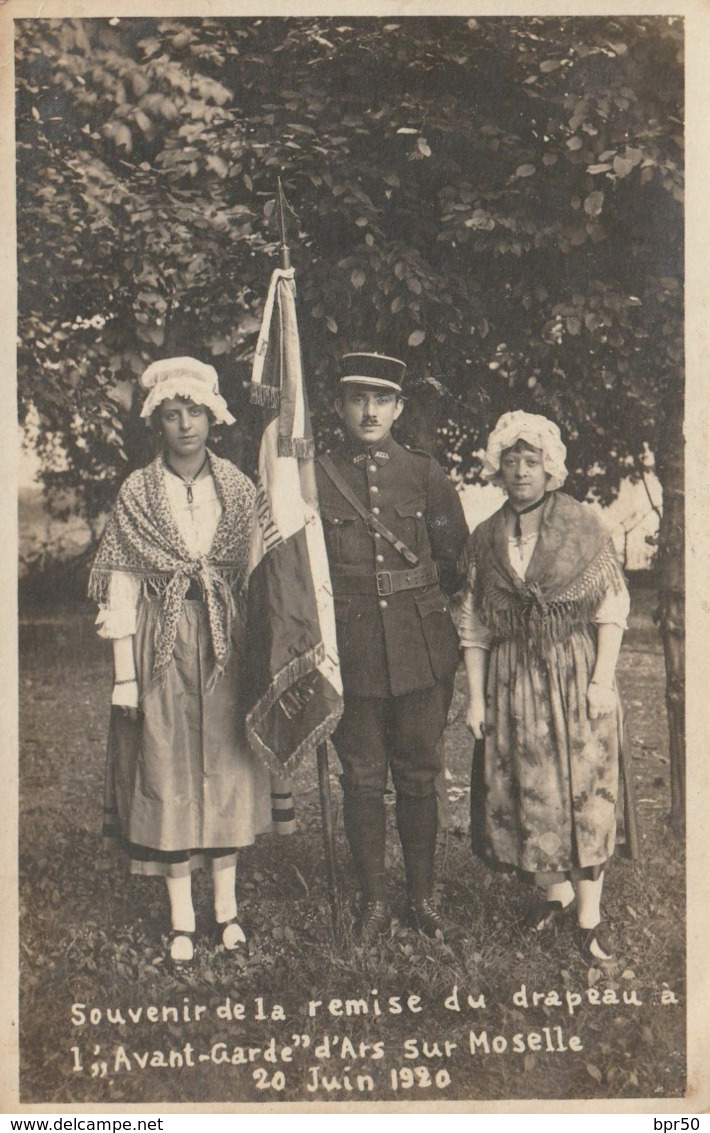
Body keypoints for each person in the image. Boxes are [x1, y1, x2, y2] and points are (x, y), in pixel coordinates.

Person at [89, 357, 272, 965]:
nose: (185, 425)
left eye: (195, 412)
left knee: (225, 763)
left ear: (212, 418)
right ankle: (182, 920)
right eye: (173, 414)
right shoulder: (138, 491)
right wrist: (124, 675)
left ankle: (226, 911)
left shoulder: (241, 488)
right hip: (162, 641)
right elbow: (121, 580)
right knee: (166, 764)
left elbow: (260, 574)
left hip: (227, 643)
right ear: (158, 422)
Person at [460, 410, 631, 962]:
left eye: (530, 462)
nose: (520, 472)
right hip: (513, 680)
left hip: (573, 673)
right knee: (528, 790)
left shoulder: (582, 526)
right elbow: (477, 625)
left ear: (550, 468)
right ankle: (552, 893)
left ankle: (589, 916)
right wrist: (476, 696)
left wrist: (602, 680)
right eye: (510, 462)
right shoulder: (487, 537)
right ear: (498, 469)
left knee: (583, 790)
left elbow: (612, 607)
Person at [315, 353, 469, 941]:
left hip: (420, 648)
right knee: (360, 777)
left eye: (382, 400)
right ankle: (374, 901)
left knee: (418, 772)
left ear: (400, 408)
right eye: (357, 398)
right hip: (350, 648)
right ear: (339, 407)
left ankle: (423, 899)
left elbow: (455, 562)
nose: (370, 410)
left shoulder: (426, 475)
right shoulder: (318, 474)